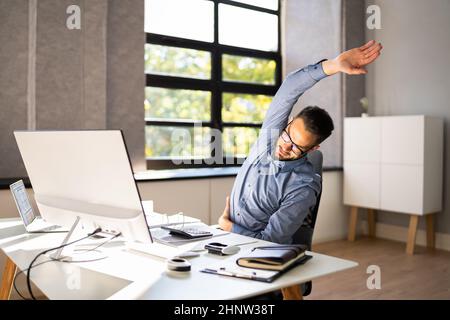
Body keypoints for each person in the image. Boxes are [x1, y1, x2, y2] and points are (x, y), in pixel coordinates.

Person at [218, 40, 383, 244]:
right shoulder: (271, 138)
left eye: (296, 146)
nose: (285, 146)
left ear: (313, 148)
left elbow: (271, 241)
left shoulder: (303, 185)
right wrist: (333, 65)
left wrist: (229, 227)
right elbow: (290, 88)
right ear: (287, 125)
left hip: (255, 254)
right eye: (287, 136)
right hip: (224, 240)